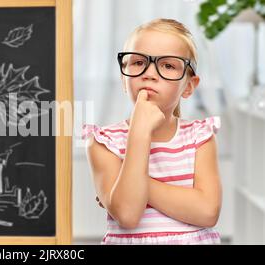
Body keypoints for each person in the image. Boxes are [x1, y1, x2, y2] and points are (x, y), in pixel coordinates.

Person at [82, 18, 222, 244]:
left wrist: (131, 183)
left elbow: (207, 212)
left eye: (168, 65)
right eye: (138, 62)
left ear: (188, 86)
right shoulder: (103, 142)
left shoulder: (200, 137)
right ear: (123, 77)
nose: (149, 73)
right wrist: (139, 131)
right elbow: (127, 214)